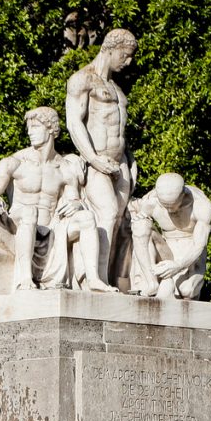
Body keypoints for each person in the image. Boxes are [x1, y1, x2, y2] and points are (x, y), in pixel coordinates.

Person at [0, 106, 117, 292]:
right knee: (29, 211)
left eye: (35, 127)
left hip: (52, 230)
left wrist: (76, 205)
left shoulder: (64, 168)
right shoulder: (14, 163)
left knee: (87, 218)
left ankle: (93, 279)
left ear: (51, 128)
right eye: (28, 127)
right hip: (20, 223)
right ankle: (25, 278)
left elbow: (74, 199)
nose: (29, 132)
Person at [66, 28, 139, 286]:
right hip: (96, 162)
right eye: (125, 55)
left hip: (120, 165)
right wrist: (94, 159)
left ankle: (105, 279)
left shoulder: (117, 90)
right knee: (106, 213)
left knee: (118, 220)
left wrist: (129, 160)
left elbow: (118, 130)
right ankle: (91, 279)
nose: (128, 61)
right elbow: (74, 123)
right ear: (110, 48)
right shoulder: (82, 80)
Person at [128, 172, 211, 299]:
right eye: (165, 205)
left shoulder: (201, 205)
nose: (169, 210)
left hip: (190, 255)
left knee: (187, 291)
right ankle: (151, 282)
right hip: (166, 250)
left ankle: (179, 283)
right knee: (140, 225)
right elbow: (138, 227)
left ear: (183, 194)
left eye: (173, 205)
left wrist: (178, 265)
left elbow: (199, 245)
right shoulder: (151, 201)